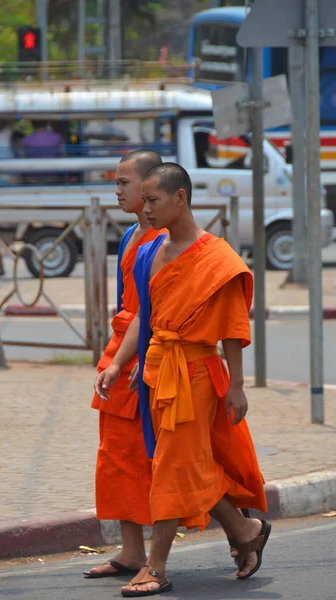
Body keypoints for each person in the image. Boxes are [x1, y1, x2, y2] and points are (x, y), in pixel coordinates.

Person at [95, 163, 270, 597]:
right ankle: (244, 529)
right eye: (146, 201)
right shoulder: (154, 252)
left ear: (180, 198)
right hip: (157, 368)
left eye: (153, 201)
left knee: (172, 466)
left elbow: (232, 327)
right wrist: (118, 363)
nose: (146, 209)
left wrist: (238, 384)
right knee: (185, 463)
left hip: (196, 372)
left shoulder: (218, 257)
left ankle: (156, 567)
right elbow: (145, 316)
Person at [85, 150, 165, 579]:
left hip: (146, 359)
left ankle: (240, 529)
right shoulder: (130, 236)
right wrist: (116, 358)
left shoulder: (166, 240)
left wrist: (140, 354)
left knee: (162, 459)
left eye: (124, 183)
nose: (117, 191)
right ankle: (132, 550)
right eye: (116, 183)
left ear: (152, 185)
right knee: (117, 458)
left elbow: (158, 309)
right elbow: (126, 308)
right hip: (122, 354)